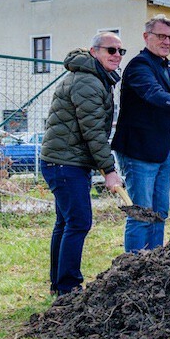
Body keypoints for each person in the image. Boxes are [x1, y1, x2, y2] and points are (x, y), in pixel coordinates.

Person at [39, 33, 125, 295]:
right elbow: (93, 132)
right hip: (65, 163)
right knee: (79, 222)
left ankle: (59, 285)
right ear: (94, 51)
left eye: (121, 51)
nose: (117, 55)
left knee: (66, 223)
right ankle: (69, 286)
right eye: (111, 50)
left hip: (63, 161)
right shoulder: (88, 81)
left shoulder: (93, 77)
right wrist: (109, 170)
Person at [112, 14, 170, 252]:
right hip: (138, 150)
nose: (167, 42)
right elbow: (153, 93)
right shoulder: (138, 66)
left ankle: (154, 262)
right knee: (142, 213)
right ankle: (133, 266)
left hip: (162, 151)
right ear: (146, 36)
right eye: (161, 36)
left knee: (160, 212)